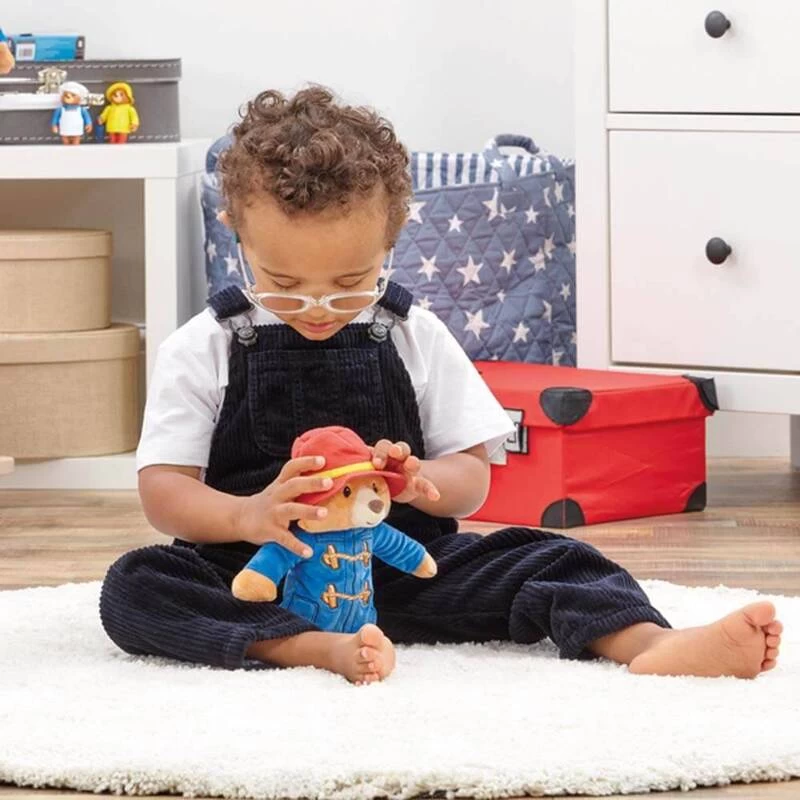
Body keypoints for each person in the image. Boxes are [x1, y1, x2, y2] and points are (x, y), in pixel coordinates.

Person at [99, 85, 783, 685]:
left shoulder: (411, 332)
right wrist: (246, 516)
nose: (317, 309)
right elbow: (165, 491)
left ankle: (650, 643)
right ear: (236, 233)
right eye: (282, 284)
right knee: (139, 584)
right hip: (255, 571)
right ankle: (304, 646)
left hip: (405, 567)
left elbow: (472, 478)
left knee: (554, 558)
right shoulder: (206, 345)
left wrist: (420, 479)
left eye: (349, 283)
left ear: (392, 239)